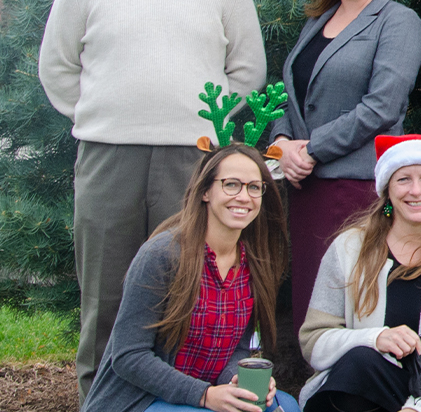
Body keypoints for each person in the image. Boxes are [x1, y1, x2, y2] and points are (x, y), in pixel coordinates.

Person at [38, 0, 266, 396]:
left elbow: (247, 69)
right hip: (107, 158)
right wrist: (101, 114)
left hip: (193, 161)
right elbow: (58, 67)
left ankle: (179, 400)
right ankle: (100, 402)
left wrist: (203, 122)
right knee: (105, 296)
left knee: (185, 291)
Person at [83, 84, 294, 412]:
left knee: (287, 407)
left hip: (206, 396)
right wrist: (205, 396)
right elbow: (129, 356)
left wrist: (237, 382)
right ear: (206, 191)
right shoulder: (162, 255)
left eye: (255, 187)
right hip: (143, 400)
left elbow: (236, 350)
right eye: (231, 184)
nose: (244, 196)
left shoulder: (253, 262)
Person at [271, 0, 421, 330]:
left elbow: (383, 107)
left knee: (351, 301)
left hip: (354, 189)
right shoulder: (316, 23)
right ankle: (313, 387)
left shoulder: (398, 22)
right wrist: (281, 145)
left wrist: (311, 150)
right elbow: (290, 96)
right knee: (310, 299)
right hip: (306, 188)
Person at [298, 134, 421, 412]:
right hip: (362, 389)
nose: (416, 191)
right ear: (387, 189)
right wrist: (373, 338)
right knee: (360, 362)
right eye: (403, 179)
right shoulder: (350, 248)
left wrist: (417, 409)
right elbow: (314, 342)